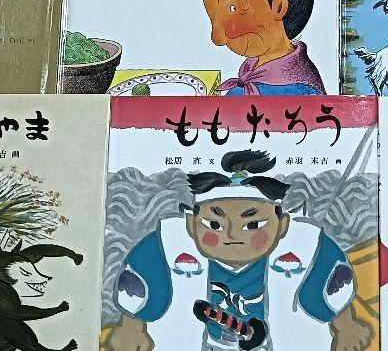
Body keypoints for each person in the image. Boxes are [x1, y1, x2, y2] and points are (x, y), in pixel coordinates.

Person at [112, 150, 372, 351]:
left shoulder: (306, 246)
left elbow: (328, 290)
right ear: (191, 224)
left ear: (282, 225)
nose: (232, 235)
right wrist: (131, 328)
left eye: (253, 225)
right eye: (214, 224)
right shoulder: (169, 245)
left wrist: (346, 326)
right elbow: (141, 288)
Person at [203, 0, 329, 96]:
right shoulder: (253, 71)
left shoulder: (299, 91)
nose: (217, 39)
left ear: (279, 7)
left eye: (233, 8)